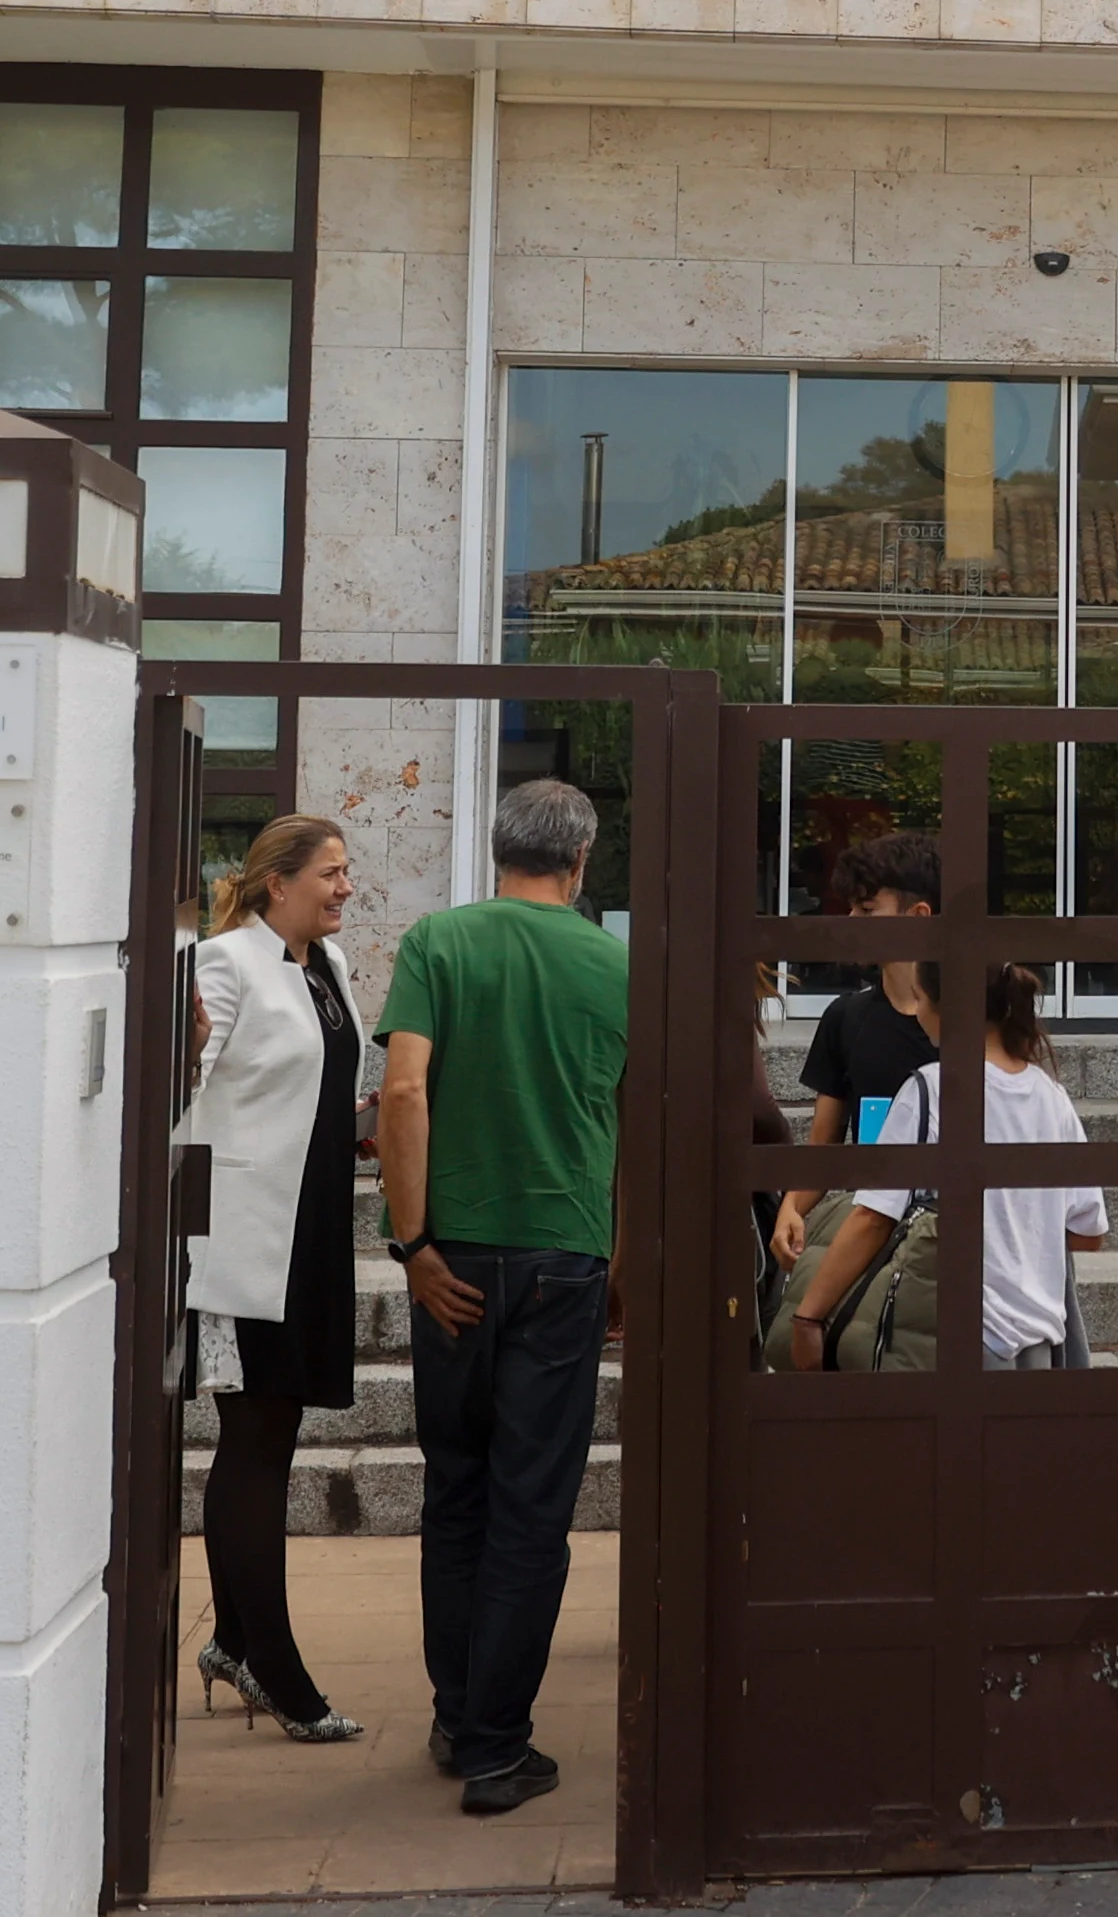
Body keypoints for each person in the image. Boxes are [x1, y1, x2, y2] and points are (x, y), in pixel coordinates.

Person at [379, 778, 629, 1819]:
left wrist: (413, 1242)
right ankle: (495, 1743)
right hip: (564, 1251)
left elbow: (400, 1090)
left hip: (456, 1257)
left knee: (456, 1490)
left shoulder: (438, 942)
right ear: (581, 860)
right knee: (534, 1504)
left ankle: (454, 1714)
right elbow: (642, 1115)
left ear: (497, 850)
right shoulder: (618, 964)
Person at [177, 813, 372, 1744]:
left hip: (312, 1230)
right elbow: (181, 1095)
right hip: (248, 1238)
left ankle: (234, 1641)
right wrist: (184, 1052)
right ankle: (273, 1666)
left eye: (345, 873)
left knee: (273, 1438)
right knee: (255, 1441)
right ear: (275, 881)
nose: (344, 888)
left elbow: (306, 1084)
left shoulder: (324, 968)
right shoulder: (226, 962)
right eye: (329, 873)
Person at [783, 958, 1105, 1370]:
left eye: (919, 998)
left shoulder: (931, 1088)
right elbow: (1088, 1232)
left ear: (945, 1008)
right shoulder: (1052, 1097)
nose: (916, 1012)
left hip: (954, 1333)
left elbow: (872, 1219)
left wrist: (807, 1316)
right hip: (1039, 1342)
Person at [771, 832, 947, 1267]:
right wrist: (791, 1209)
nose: (851, 920)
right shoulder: (845, 1018)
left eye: (867, 910)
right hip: (871, 1237)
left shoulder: (978, 1023)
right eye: (851, 907)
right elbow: (824, 1149)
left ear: (919, 915)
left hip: (955, 1240)